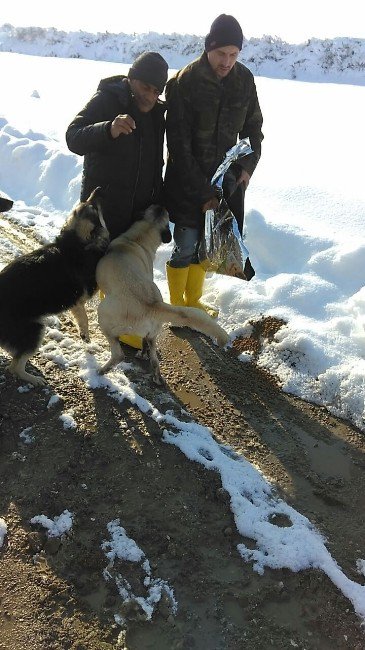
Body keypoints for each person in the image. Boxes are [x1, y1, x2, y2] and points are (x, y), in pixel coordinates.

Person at [66, 51, 168, 348]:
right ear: (131, 79)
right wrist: (107, 129)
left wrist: (157, 208)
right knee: (94, 269)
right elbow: (73, 136)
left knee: (125, 271)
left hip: (136, 211)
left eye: (156, 90)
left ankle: (125, 324)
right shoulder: (107, 99)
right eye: (144, 87)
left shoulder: (156, 115)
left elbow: (154, 164)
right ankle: (81, 311)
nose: (149, 96)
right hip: (102, 208)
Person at [164, 14, 263, 317]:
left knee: (208, 247)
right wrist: (204, 190)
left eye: (234, 54)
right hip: (187, 181)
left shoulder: (244, 80)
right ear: (208, 47)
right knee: (186, 243)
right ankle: (178, 308)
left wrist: (246, 166)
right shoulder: (184, 82)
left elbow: (253, 128)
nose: (227, 61)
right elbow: (178, 146)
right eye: (221, 53)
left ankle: (193, 302)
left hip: (226, 183)